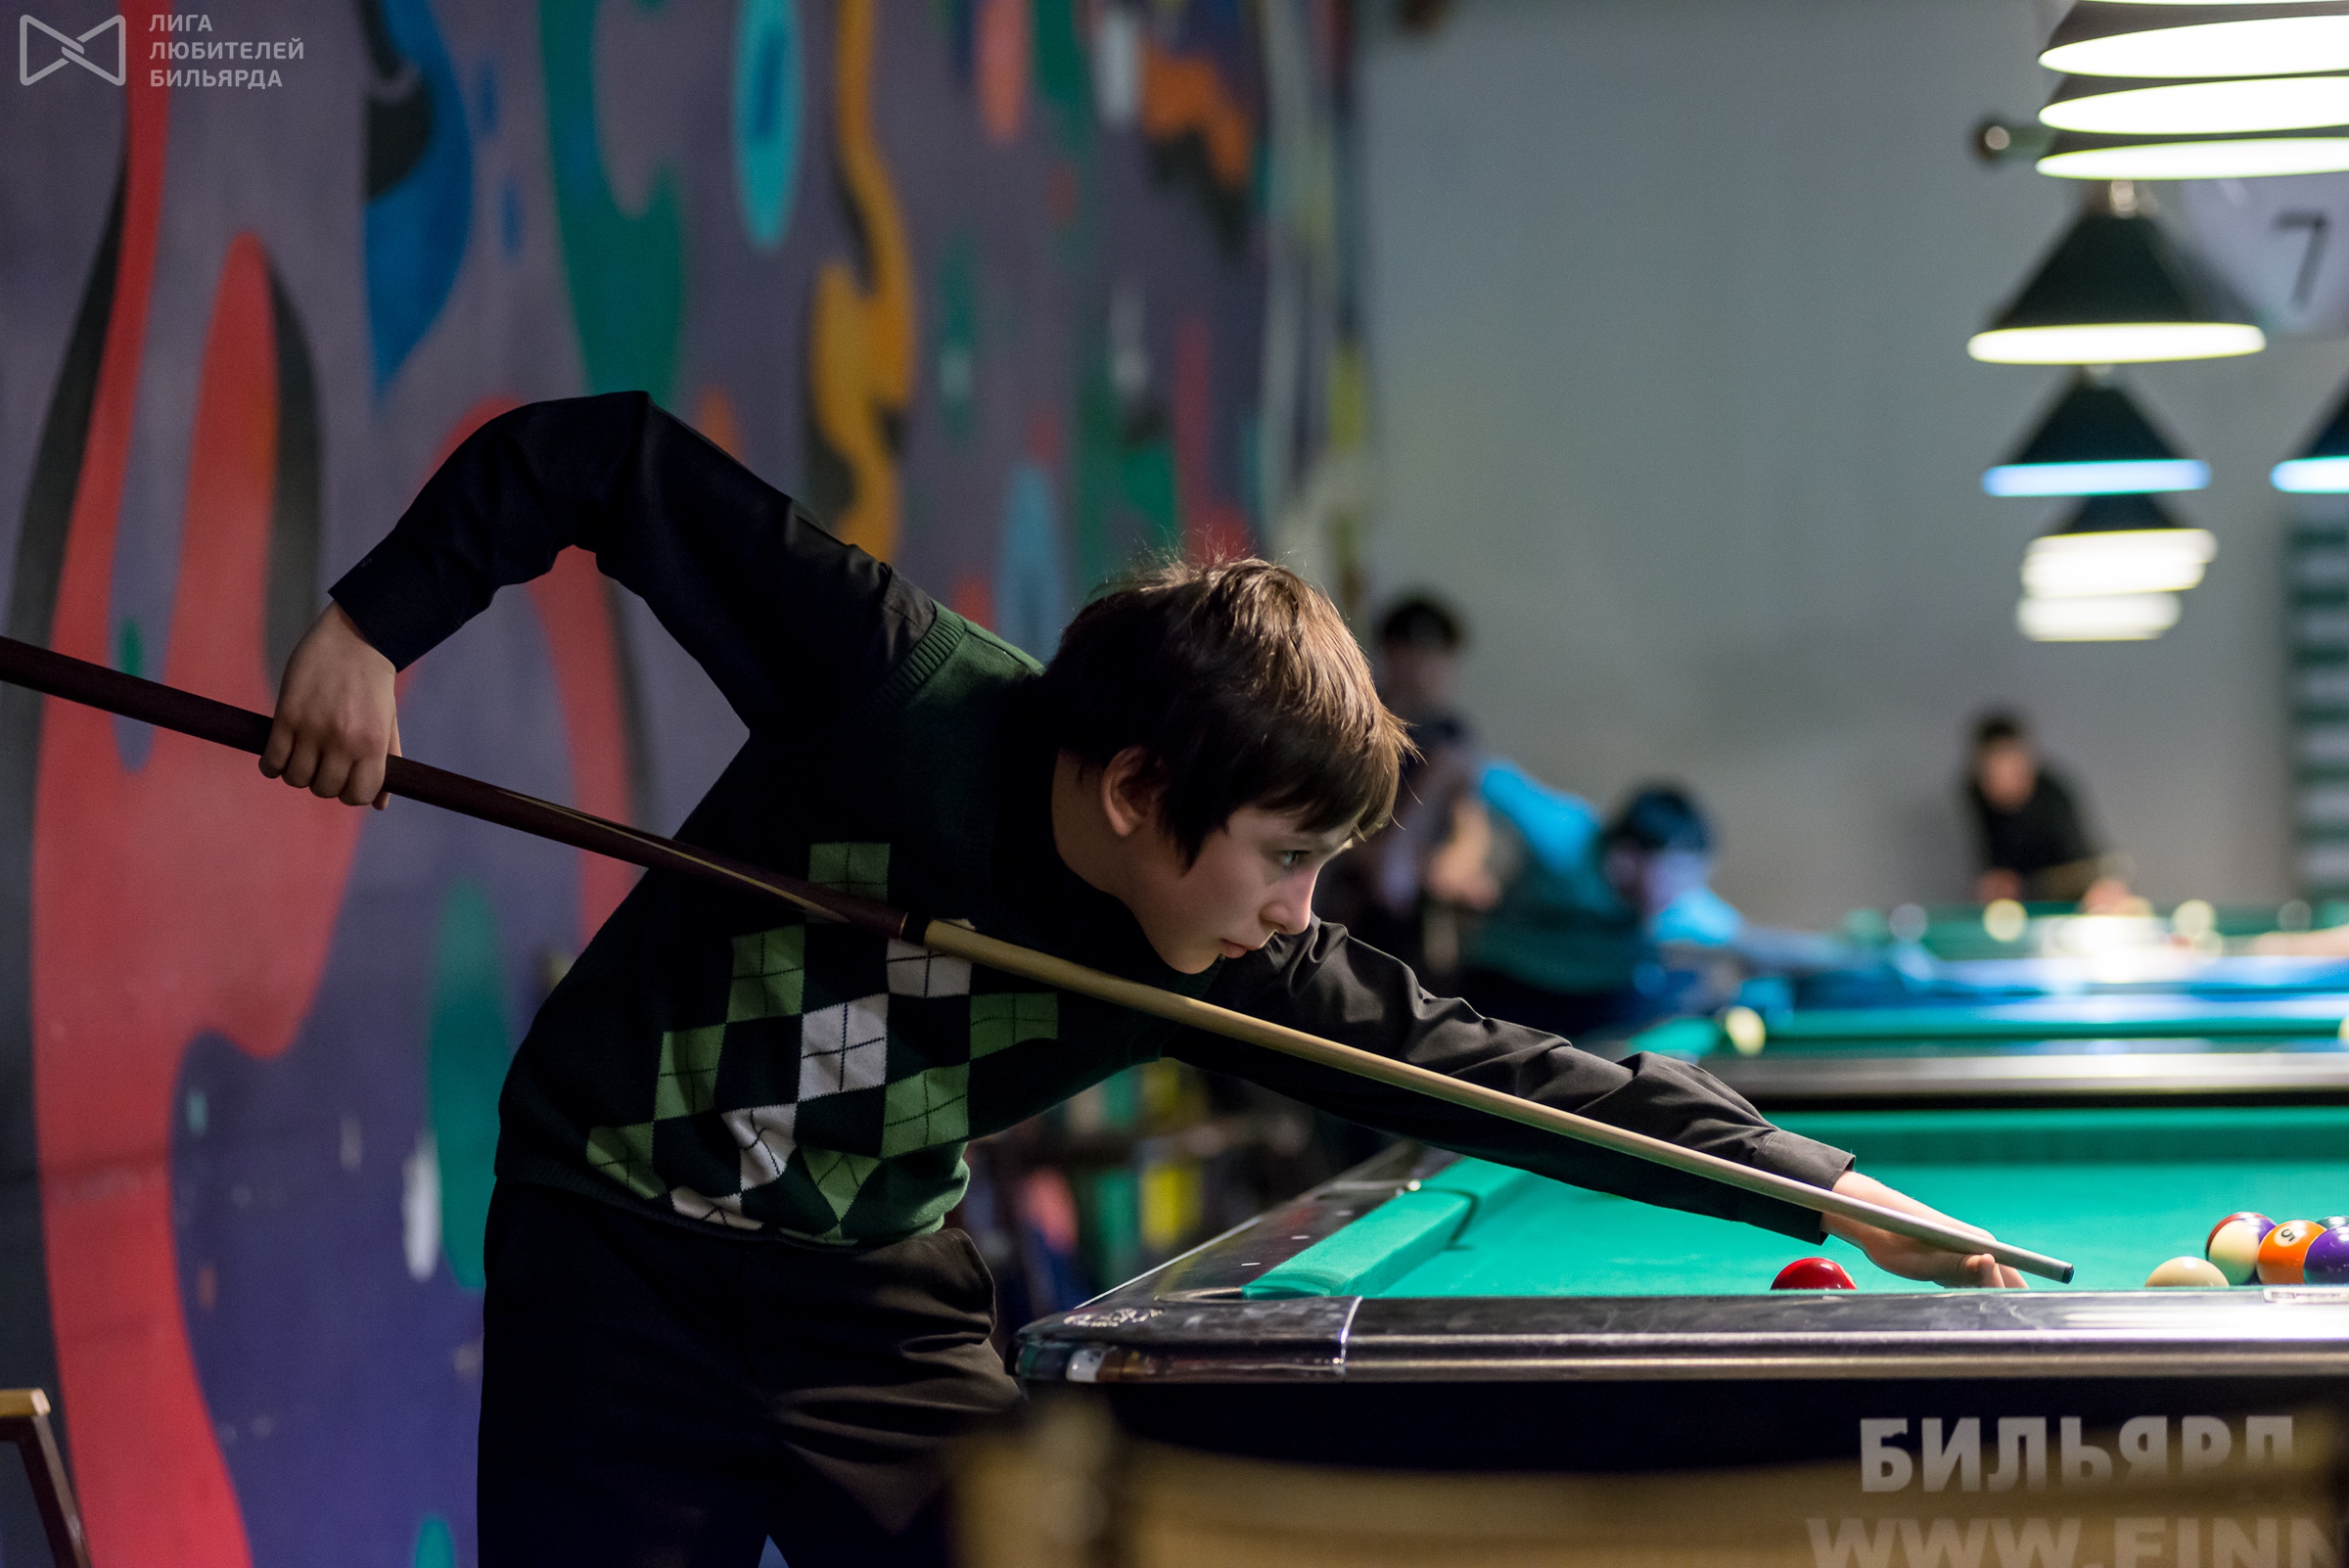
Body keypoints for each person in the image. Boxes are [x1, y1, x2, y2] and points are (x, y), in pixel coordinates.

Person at [262, 394, 2022, 1568]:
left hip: (866, 1293)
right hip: (613, 1236)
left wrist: (1822, 1186)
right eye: (1283, 854)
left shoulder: (1237, 948)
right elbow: (601, 456)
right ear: (1134, 790)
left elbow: (1501, 1068)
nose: (1300, 911)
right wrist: (367, 631)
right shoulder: (891, 683)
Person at [1460, 771, 1844, 1039]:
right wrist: (1461, 861)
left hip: (1593, 1006)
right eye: (1678, 875)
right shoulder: (1562, 834)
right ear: (1628, 857)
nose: (1685, 892)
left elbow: (1755, 943)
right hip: (1500, 988)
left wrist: (1855, 958)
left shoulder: (1677, 908)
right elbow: (1470, 769)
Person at [1312, 594, 1497, 983]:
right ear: (1393, 654)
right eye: (1418, 654)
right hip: (1345, 894)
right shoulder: (1356, 719)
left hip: (1411, 910)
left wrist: (1452, 863)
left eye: (1439, 656)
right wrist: (1380, 855)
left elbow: (1470, 821)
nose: (1430, 669)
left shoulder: (1451, 736)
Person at [1962, 712, 2129, 910]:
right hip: (2021, 903)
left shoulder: (2053, 798)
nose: (2006, 784)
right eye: (1995, 775)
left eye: (2013, 772)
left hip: (2069, 895)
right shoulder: (1973, 795)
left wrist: (2103, 885)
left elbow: (2085, 858)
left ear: (2026, 764)